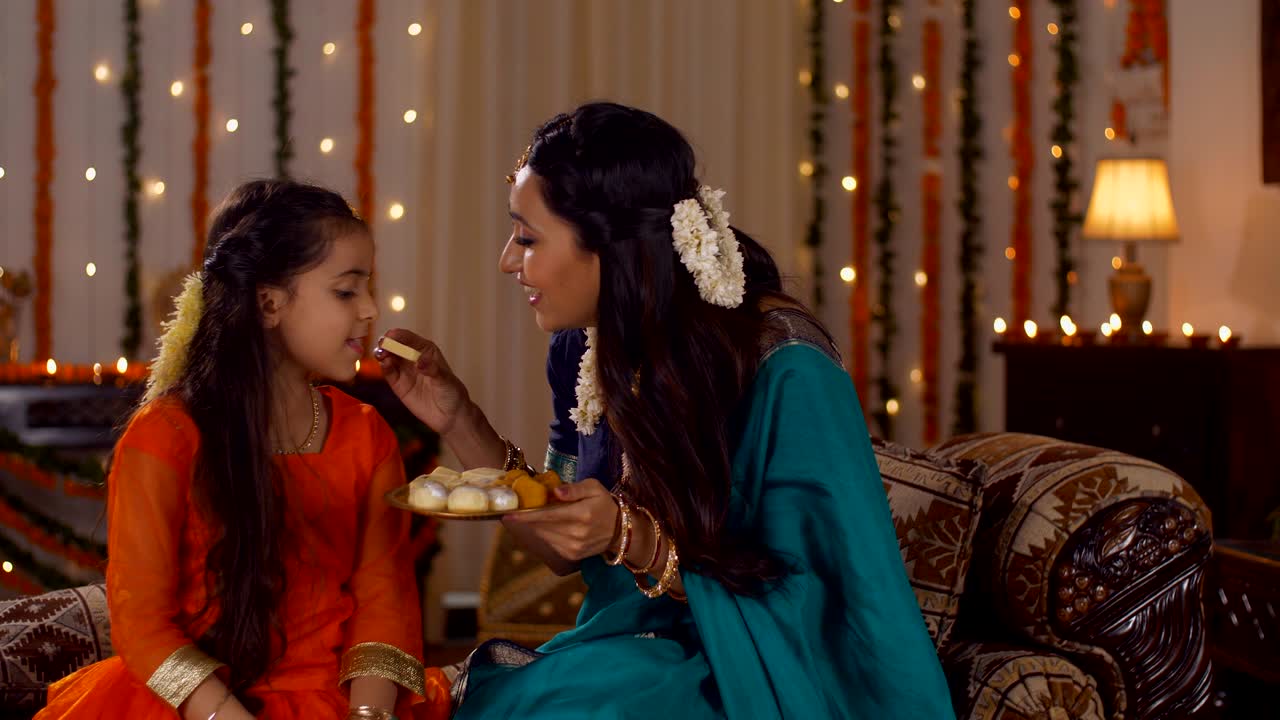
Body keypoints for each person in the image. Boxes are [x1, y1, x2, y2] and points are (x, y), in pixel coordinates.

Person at [376, 102, 955, 718]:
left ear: (611, 246)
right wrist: (458, 417)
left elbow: (819, 602)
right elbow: (562, 547)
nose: (508, 261)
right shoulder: (584, 346)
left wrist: (628, 537)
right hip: (631, 647)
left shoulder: (788, 370)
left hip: (761, 676)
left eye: (527, 237)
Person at [37, 180, 448, 720]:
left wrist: (369, 716)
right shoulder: (165, 436)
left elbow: (384, 601)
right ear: (269, 303)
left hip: (339, 702)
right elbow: (142, 622)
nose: (371, 309)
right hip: (193, 704)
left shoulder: (366, 435)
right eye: (347, 291)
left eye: (367, 287)